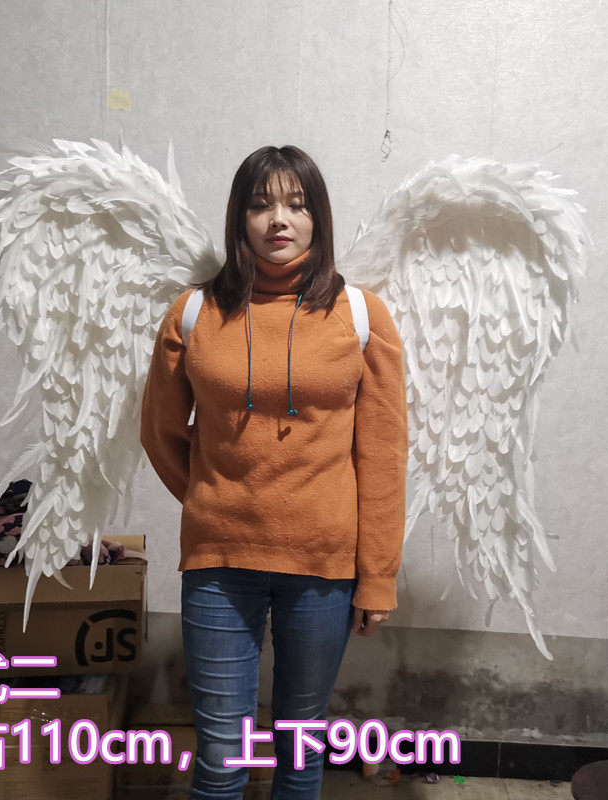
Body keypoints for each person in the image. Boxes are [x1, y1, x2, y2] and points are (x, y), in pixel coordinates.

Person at [139, 144, 408, 800]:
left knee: (299, 752)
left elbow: (383, 456)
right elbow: (161, 432)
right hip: (218, 564)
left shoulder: (361, 315)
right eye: (261, 205)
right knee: (220, 758)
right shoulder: (194, 313)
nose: (279, 219)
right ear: (240, 217)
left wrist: (377, 577)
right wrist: (212, 498)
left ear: (319, 219)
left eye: (297, 204)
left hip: (323, 569)